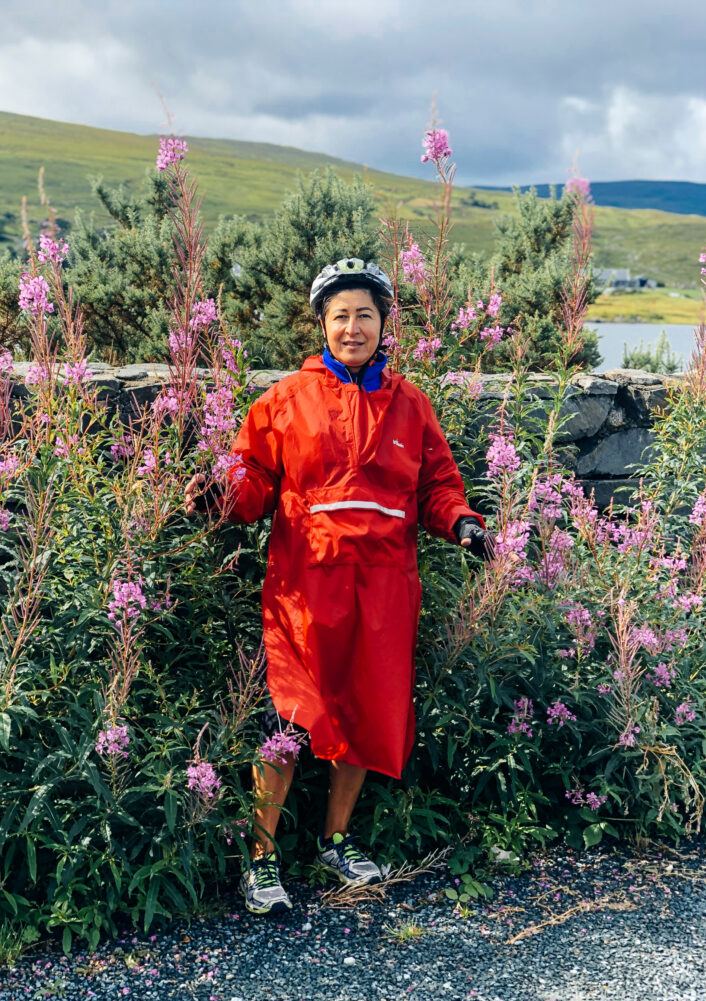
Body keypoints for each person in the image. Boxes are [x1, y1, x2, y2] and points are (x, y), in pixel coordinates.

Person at [184, 257, 490, 914]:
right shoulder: (285, 400)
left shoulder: (411, 405)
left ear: (384, 324)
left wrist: (462, 523)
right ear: (322, 324)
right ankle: (261, 857)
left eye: (365, 315)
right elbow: (252, 478)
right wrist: (221, 494)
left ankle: (336, 840)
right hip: (304, 589)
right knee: (287, 717)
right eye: (341, 315)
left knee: (364, 712)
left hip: (384, 590)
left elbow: (438, 485)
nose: (353, 327)